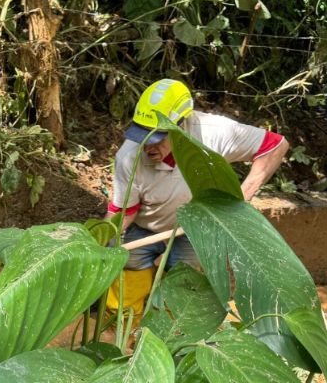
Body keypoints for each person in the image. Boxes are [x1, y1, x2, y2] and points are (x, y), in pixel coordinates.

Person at [105, 79, 289, 313]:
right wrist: (101, 241)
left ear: (180, 127)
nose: (147, 146)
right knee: (127, 266)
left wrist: (236, 204)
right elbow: (123, 212)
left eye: (157, 137)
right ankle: (124, 324)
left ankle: (172, 334)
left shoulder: (212, 133)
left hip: (194, 228)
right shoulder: (129, 156)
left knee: (184, 280)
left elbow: (276, 146)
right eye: (143, 135)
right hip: (145, 226)